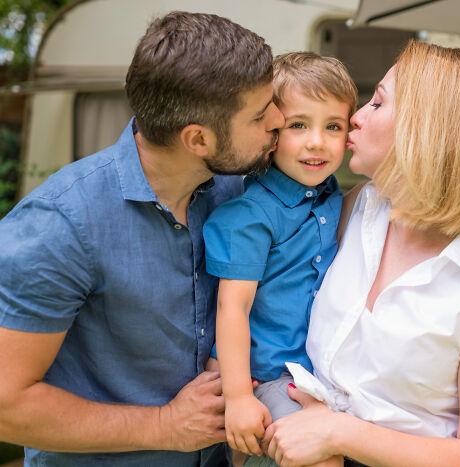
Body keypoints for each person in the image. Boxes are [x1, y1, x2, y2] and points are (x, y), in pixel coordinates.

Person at [0, 11, 284, 466]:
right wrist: (163, 426)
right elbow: (6, 405)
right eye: (259, 114)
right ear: (198, 139)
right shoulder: (61, 223)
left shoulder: (238, 190)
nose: (278, 119)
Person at [260, 40, 460, 467]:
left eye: (376, 103)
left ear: (428, 128)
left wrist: (340, 432)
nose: (354, 118)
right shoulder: (356, 208)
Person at [202, 52, 356, 466]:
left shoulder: (331, 197)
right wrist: (236, 397)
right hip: (267, 376)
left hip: (322, 373)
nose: (317, 142)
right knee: (320, 458)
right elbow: (232, 306)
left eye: (333, 126)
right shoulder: (251, 215)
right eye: (298, 125)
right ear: (271, 133)